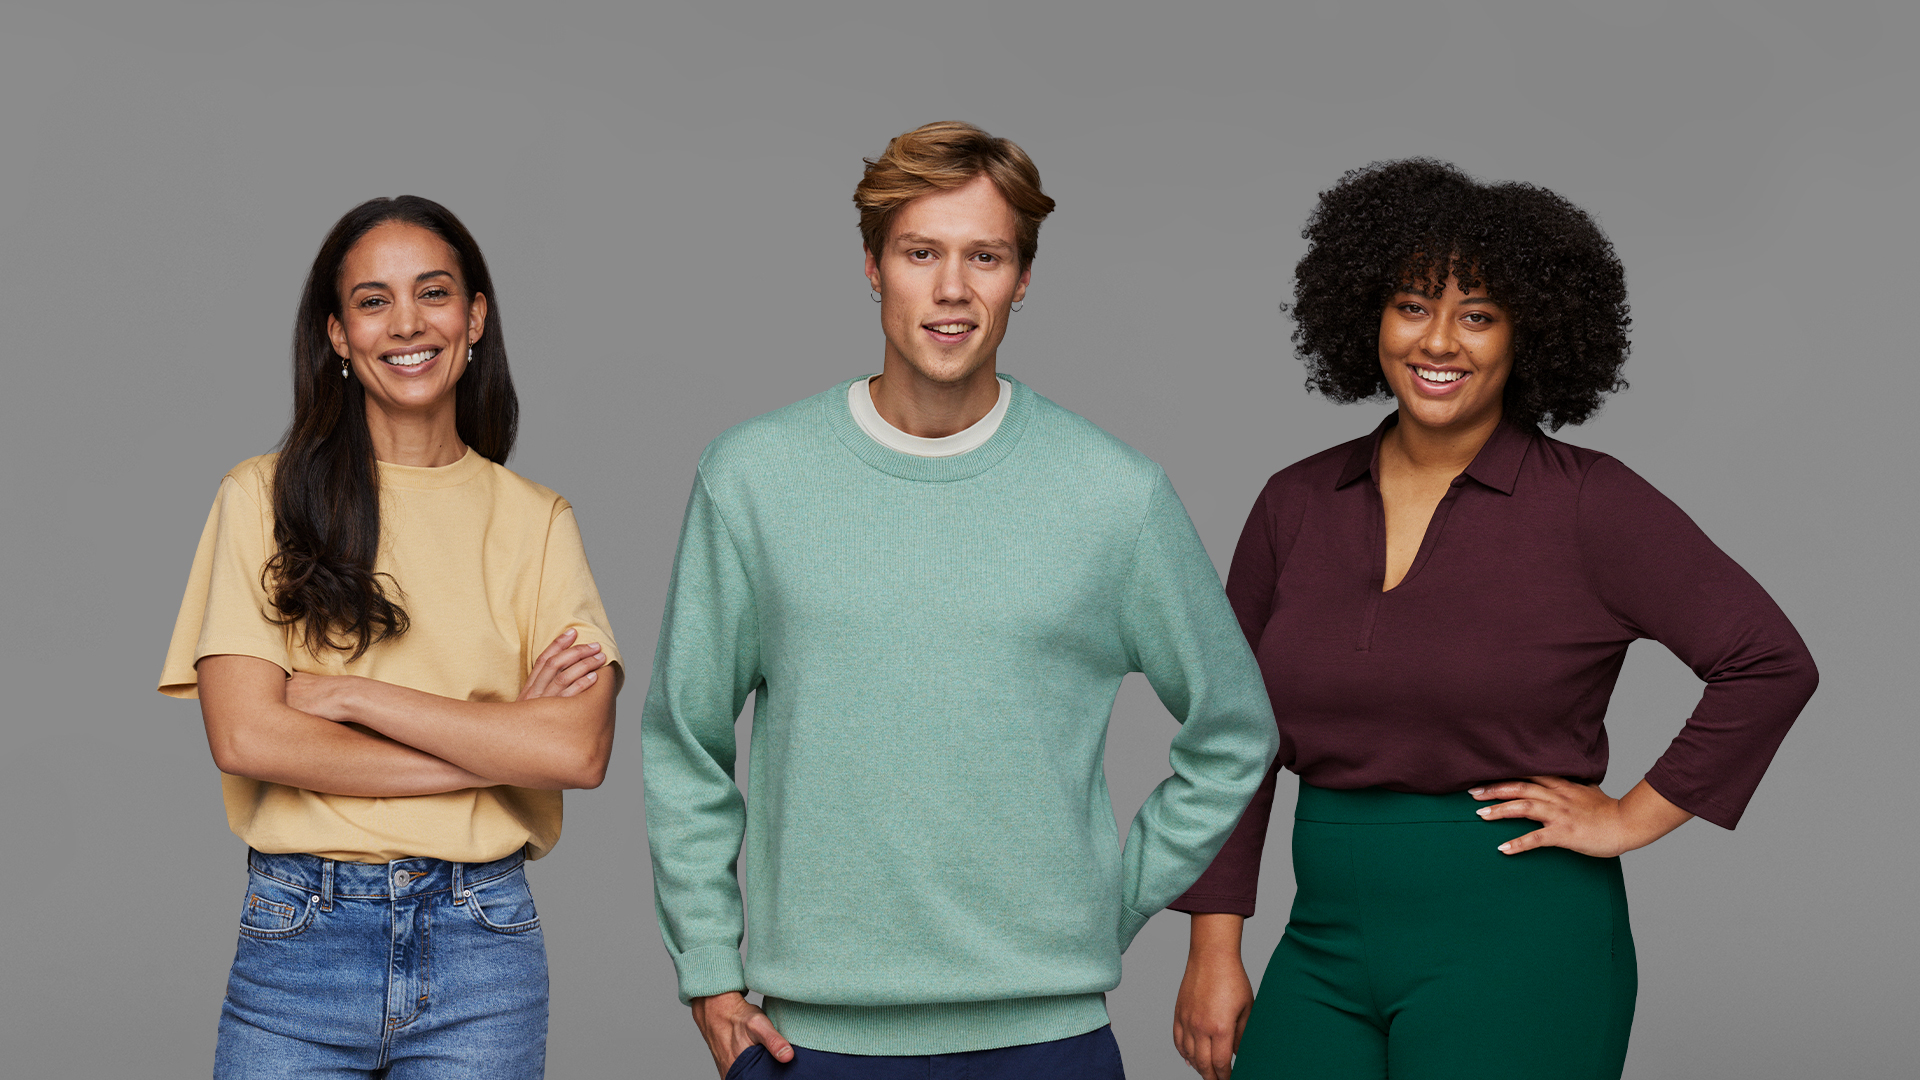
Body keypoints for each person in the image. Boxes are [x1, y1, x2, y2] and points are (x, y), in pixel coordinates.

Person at [641, 121, 1279, 1079]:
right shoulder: (755, 477)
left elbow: (1235, 729)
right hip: (813, 1039)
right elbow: (682, 737)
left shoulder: (1113, 493)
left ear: (1022, 278)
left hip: (1046, 1039)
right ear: (871, 265)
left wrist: (1110, 897)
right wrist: (707, 967)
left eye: (984, 256)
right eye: (920, 252)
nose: (951, 289)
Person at [1165, 158, 1820, 1080]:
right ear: (1367, 316)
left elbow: (1769, 662)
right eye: (1412, 305)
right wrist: (1213, 947)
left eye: (1477, 314)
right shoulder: (1296, 502)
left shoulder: (1589, 504)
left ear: (1528, 337)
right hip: (1323, 939)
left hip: (1520, 936)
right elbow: (1234, 736)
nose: (1439, 341)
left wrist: (1632, 815)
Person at [158, 195, 622, 1079]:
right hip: (299, 937)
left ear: (475, 315)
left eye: (434, 292)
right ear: (336, 334)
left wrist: (348, 695)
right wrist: (497, 745)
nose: (406, 323)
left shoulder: (537, 523)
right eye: (373, 301)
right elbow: (248, 735)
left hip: (482, 941)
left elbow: (577, 748)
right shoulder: (260, 498)